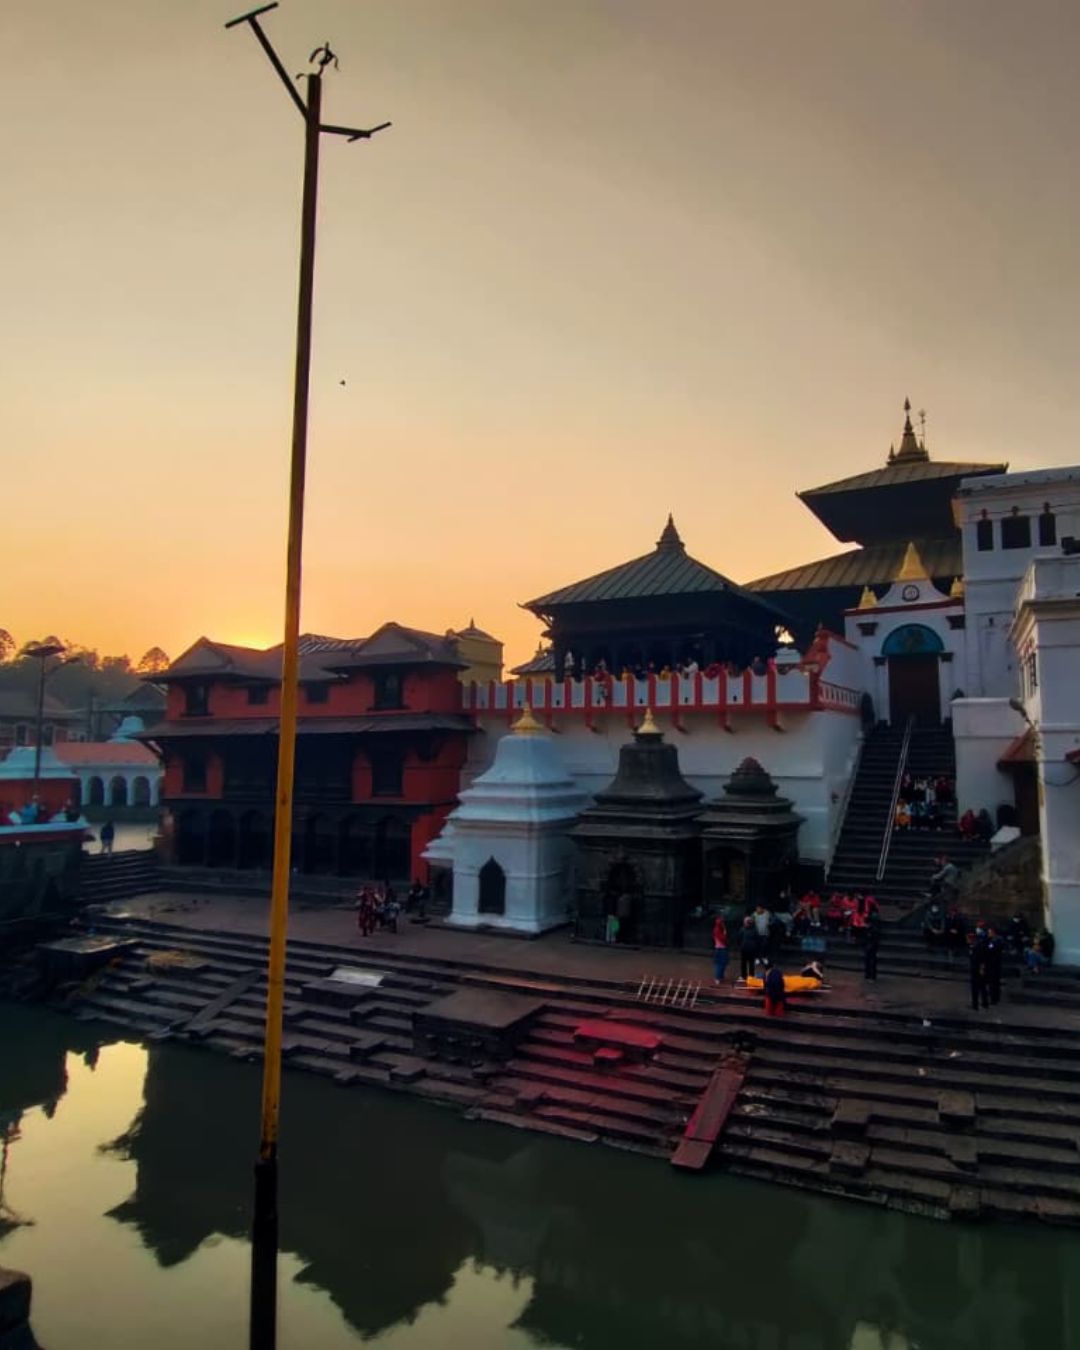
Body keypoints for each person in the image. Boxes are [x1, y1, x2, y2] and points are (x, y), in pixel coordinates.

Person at [969, 928, 991, 1011]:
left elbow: (981, 959)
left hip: (977, 969)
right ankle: (984, 1004)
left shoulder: (977, 946)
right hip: (978, 968)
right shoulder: (979, 945)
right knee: (982, 987)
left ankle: (975, 1005)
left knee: (976, 988)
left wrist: (981, 968)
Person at [984, 925, 1004, 1005]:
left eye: (989, 932)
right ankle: (995, 997)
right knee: (993, 982)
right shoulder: (994, 940)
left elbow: (991, 949)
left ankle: (994, 999)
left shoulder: (996, 941)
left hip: (994, 963)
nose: (988, 934)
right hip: (994, 963)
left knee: (993, 982)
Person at [738, 917, 760, 981]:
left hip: (747, 949)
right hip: (747, 949)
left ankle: (747, 976)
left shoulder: (743, 929)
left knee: (747, 963)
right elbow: (757, 939)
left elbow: (739, 939)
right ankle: (748, 976)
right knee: (747, 963)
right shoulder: (754, 930)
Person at [712, 914, 729, 985]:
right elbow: (723, 939)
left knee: (722, 963)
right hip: (720, 948)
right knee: (720, 964)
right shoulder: (718, 930)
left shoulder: (717, 929)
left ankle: (720, 976)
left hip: (720, 948)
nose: (723, 924)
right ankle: (717, 978)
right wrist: (725, 933)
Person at [863, 911, 881, 981]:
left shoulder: (874, 929)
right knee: (869, 961)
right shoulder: (870, 929)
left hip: (872, 946)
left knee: (871, 961)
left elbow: (875, 939)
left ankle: (871, 975)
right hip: (869, 945)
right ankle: (868, 975)